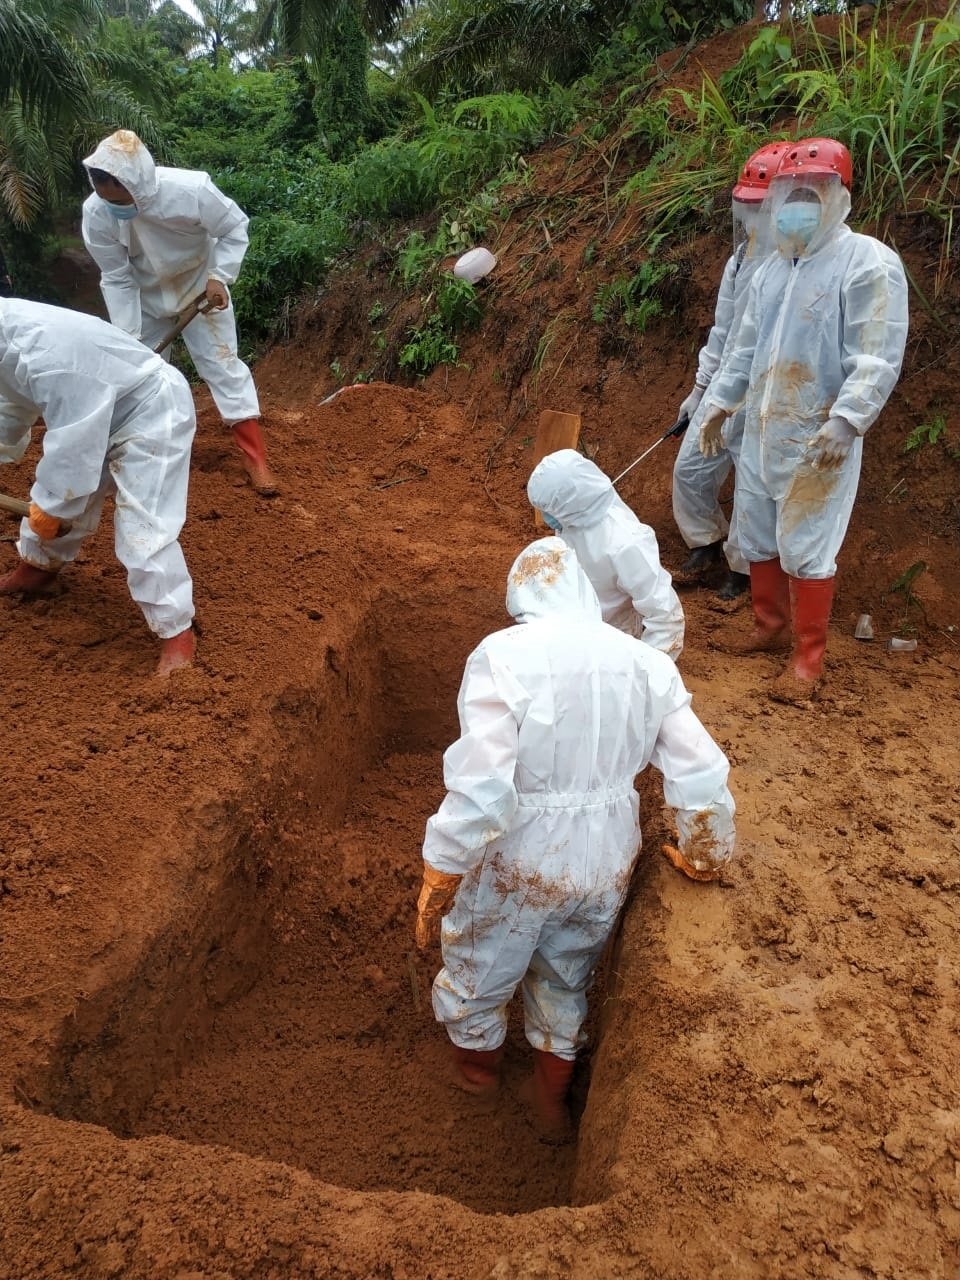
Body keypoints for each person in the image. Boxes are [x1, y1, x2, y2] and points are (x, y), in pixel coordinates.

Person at [414, 538, 735, 1135]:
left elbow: (483, 789)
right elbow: (701, 769)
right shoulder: (646, 663)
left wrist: (444, 866)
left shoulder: (503, 655)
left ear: (521, 596)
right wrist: (705, 851)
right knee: (567, 974)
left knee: (480, 969)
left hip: (521, 850)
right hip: (607, 853)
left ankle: (477, 1080)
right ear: (585, 593)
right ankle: (550, 1106)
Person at [698, 138, 909, 703]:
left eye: (810, 195)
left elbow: (877, 350)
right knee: (758, 531)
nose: (795, 206)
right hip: (765, 429)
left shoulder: (866, 262)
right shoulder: (772, 271)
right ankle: (768, 629)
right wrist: (720, 402)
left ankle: (807, 660)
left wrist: (847, 420)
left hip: (820, 433)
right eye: (788, 195)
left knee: (808, 542)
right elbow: (743, 349)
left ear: (838, 198)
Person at [0, 298, 197, 677]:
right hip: (101, 406)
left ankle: (177, 635)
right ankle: (37, 570)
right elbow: (10, 406)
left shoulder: (40, 349)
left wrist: (52, 508)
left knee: (143, 528)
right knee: (60, 499)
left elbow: (73, 448)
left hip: (151, 409)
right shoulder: (8, 341)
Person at [80, 130, 277, 496]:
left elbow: (235, 227)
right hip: (145, 297)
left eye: (120, 199)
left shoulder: (191, 191)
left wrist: (220, 277)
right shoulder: (96, 214)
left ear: (138, 185)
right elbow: (117, 277)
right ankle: (143, 458)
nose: (114, 207)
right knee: (141, 380)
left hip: (201, 288)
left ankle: (256, 459)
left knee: (223, 366)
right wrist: (129, 336)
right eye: (106, 199)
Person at [671, 141, 786, 600]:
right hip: (724, 384)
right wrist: (700, 388)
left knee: (753, 487)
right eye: (746, 207)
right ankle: (706, 542)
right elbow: (723, 330)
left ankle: (742, 569)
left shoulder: (798, 269)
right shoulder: (739, 260)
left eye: (760, 207)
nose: (750, 217)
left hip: (768, 391)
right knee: (690, 468)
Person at [526, 449, 684, 659]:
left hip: (613, 641)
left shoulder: (626, 542)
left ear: (568, 502)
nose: (546, 516)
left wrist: (646, 673)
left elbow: (665, 616)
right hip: (575, 626)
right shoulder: (571, 518)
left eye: (548, 509)